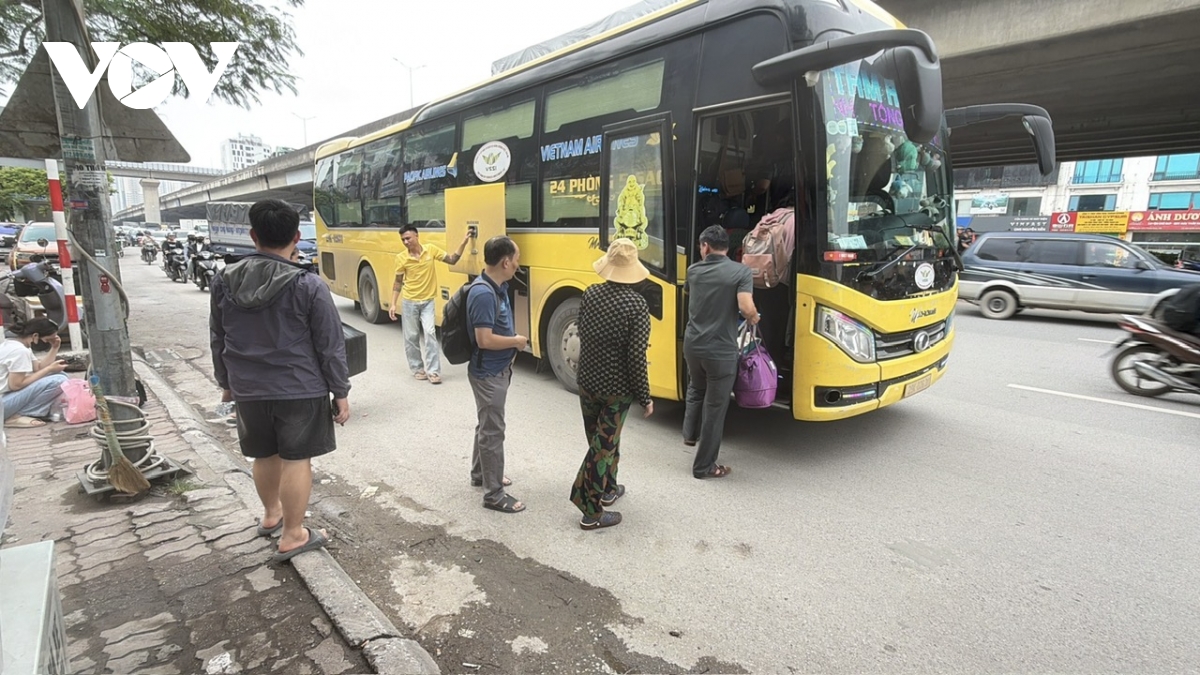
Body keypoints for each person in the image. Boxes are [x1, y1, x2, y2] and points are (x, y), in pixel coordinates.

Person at [210, 199, 351, 563]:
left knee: (263, 453)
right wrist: (341, 391)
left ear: (253, 236)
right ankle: (292, 534)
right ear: (296, 237)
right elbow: (330, 344)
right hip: (298, 387)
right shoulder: (308, 284)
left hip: (248, 387)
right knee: (296, 458)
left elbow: (218, 336)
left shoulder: (224, 280)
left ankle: (271, 515)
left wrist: (227, 382)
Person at [570, 239, 653, 530]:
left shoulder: (591, 294)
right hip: (617, 390)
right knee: (603, 448)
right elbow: (636, 356)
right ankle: (590, 513)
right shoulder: (637, 305)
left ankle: (607, 489)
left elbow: (582, 331)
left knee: (600, 440)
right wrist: (645, 395)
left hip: (588, 381)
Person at [682, 225, 759, 479]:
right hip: (720, 351)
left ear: (705, 246)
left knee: (696, 386)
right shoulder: (740, 272)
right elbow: (746, 307)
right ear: (727, 246)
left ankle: (690, 435)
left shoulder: (693, 271)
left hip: (693, 345)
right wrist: (754, 317)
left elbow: (691, 295)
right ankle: (704, 466)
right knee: (715, 408)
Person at [466, 235, 527, 514]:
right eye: (516, 260)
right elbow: (485, 340)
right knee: (493, 431)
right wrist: (515, 341)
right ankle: (493, 494)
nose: (518, 265)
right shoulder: (483, 293)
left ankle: (482, 474)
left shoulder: (496, 286)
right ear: (505, 261)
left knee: (486, 425)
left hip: (497, 370)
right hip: (488, 372)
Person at [388, 225, 472, 385]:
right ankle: (417, 368)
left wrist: (464, 242)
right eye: (403, 240)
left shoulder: (430, 250)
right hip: (410, 302)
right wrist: (393, 304)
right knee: (411, 337)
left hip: (427, 301)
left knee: (430, 332)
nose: (405, 242)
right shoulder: (401, 258)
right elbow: (398, 282)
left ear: (417, 236)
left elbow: (452, 259)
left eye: (408, 238)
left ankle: (433, 371)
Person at [0, 318, 68, 428]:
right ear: (35, 336)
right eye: (47, 339)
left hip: (5, 398)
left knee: (61, 376)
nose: (46, 342)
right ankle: (19, 415)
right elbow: (16, 385)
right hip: (3, 404)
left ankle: (18, 413)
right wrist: (49, 369)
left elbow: (39, 368)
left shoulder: (17, 345)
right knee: (59, 380)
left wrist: (54, 348)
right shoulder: (19, 351)